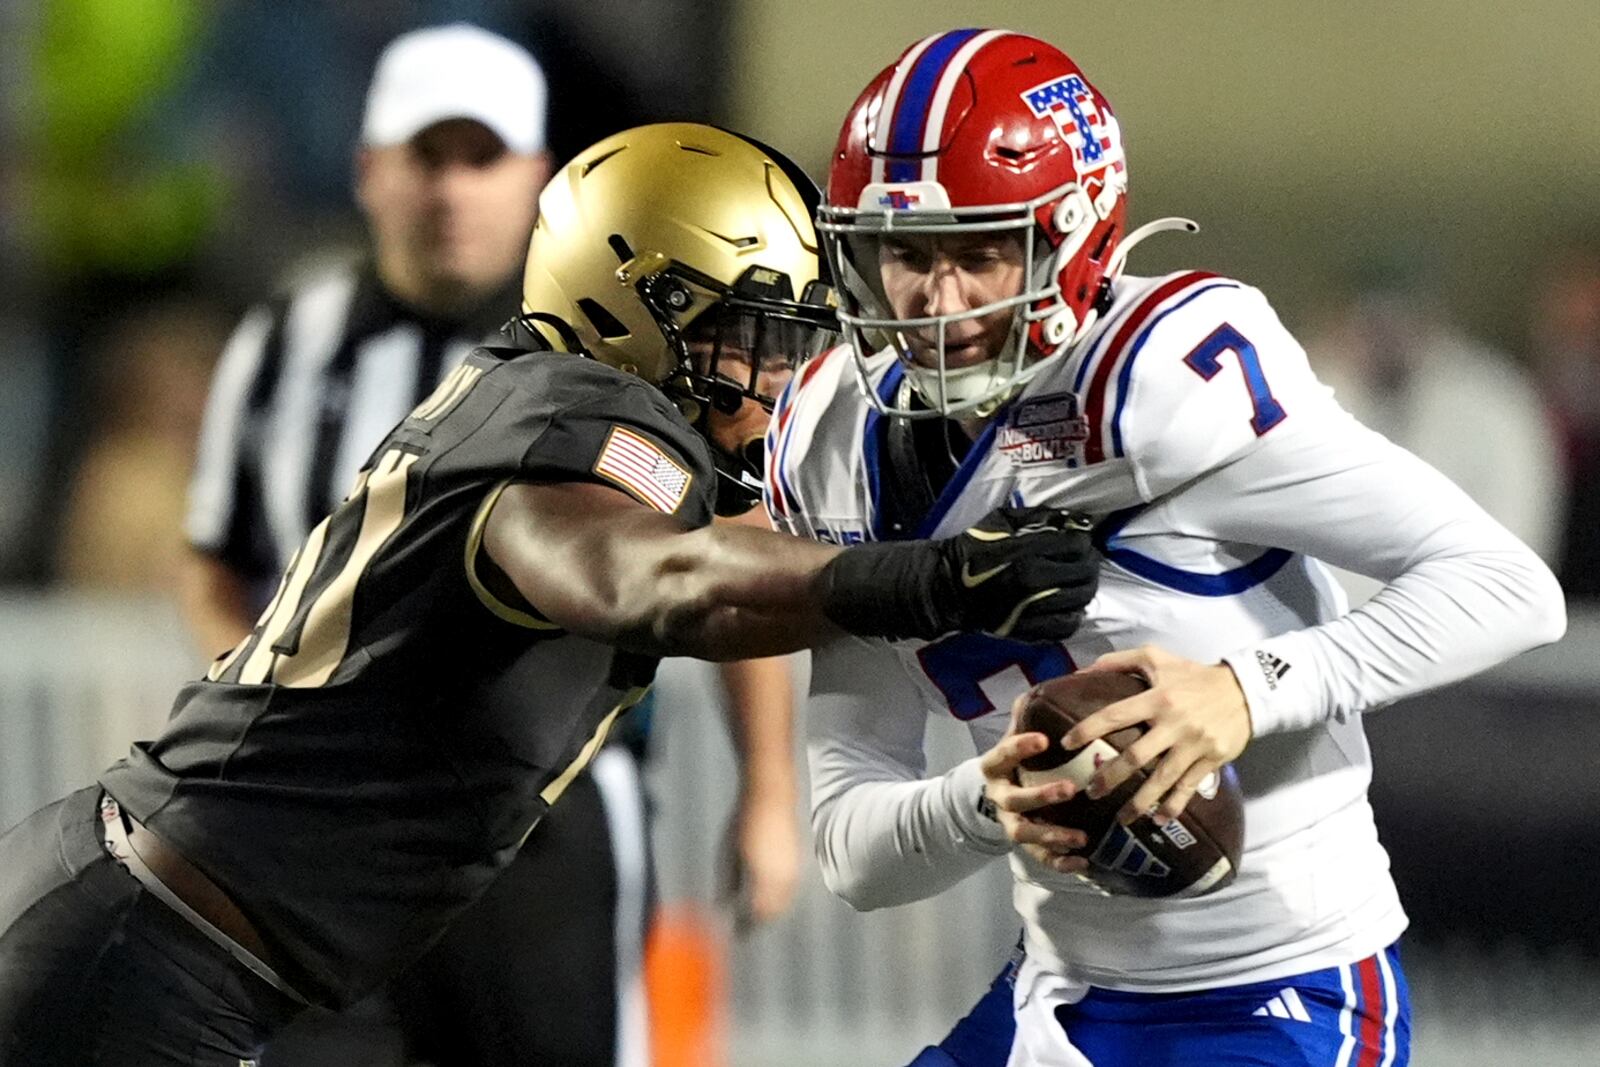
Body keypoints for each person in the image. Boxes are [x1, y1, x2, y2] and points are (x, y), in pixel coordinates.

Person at [0, 120, 1100, 1067]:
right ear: (627, 297)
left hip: (152, 927)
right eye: (746, 330)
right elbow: (651, 581)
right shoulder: (583, 421)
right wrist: (936, 581)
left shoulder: (535, 395)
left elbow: (701, 570)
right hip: (146, 949)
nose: (773, 375)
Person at [767, 30, 1567, 1067]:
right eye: (905, 254)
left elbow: (1507, 585)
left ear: (1074, 238)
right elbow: (853, 850)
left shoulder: (1157, 382)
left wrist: (1246, 688)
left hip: (1282, 988)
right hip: (1056, 992)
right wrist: (985, 800)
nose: (937, 299)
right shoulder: (831, 442)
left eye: (979, 252)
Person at [176, 25, 798, 1065]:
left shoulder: (623, 350)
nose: (452, 190)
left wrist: (771, 789)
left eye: (483, 158)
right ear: (370, 171)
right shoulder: (284, 342)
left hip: (540, 811)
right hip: (323, 817)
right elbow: (214, 553)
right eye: (427, 156)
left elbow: (731, 559)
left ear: (539, 180)